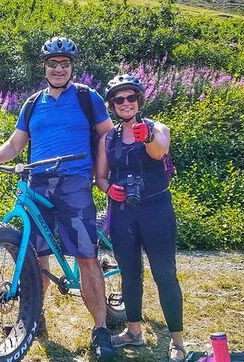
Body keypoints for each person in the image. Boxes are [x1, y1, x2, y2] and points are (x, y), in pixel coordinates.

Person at [0, 36, 116, 361]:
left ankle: (101, 329)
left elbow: (108, 135)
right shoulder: (32, 103)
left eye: (64, 64)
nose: (58, 69)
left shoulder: (87, 97)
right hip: (37, 183)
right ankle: (32, 318)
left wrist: (101, 173)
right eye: (53, 63)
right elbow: (15, 144)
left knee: (85, 257)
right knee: (36, 257)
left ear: (72, 67)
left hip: (74, 183)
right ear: (45, 66)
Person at [95, 74, 186, 362]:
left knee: (164, 274)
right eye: (119, 99)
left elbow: (159, 152)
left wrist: (146, 136)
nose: (126, 103)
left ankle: (177, 340)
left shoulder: (157, 128)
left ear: (139, 100)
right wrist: (109, 189)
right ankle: (133, 331)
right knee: (129, 273)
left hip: (156, 210)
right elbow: (100, 176)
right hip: (123, 213)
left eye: (131, 97)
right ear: (112, 105)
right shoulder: (108, 138)